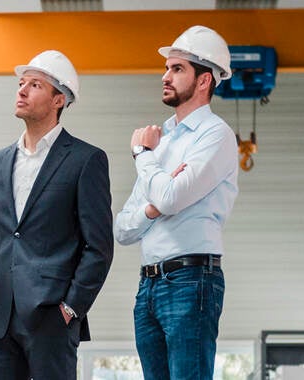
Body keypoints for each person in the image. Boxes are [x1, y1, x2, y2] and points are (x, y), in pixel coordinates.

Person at [0, 50, 114, 380]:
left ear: (59, 99)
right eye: (21, 83)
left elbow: (99, 248)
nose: (21, 90)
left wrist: (70, 309)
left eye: (34, 85)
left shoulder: (85, 160)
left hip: (51, 317)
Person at [114, 25, 241, 380]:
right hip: (148, 284)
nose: (165, 76)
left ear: (204, 81)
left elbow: (170, 196)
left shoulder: (215, 136)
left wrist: (142, 155)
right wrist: (155, 205)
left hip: (191, 279)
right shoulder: (163, 142)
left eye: (177, 69)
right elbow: (123, 228)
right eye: (167, 68)